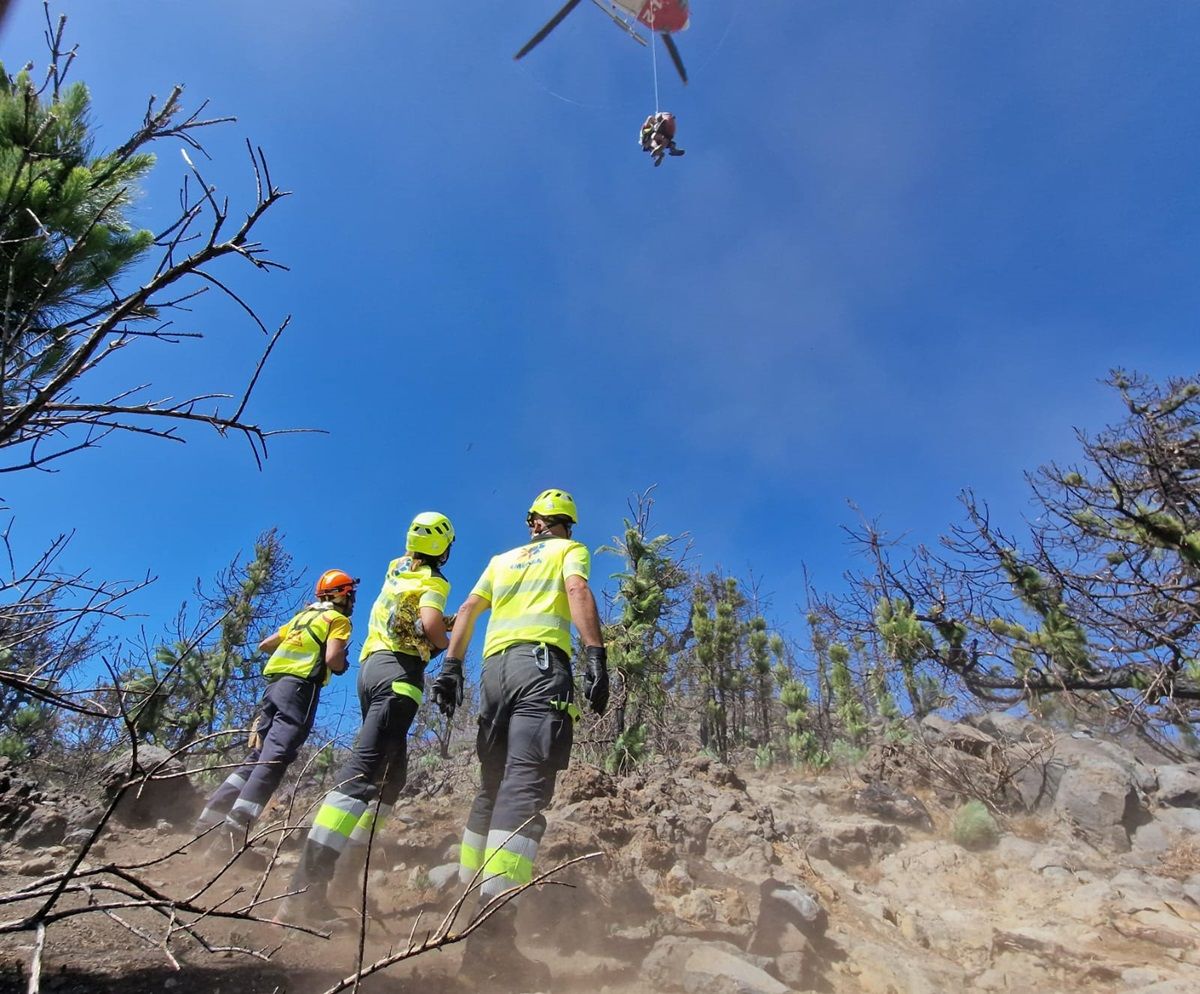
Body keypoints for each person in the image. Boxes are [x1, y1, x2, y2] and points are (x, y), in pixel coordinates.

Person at [430, 488, 608, 989]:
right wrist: (595, 653)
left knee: (490, 784)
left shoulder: (501, 560)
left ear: (533, 521)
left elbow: (465, 610)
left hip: (492, 673)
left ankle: (462, 905)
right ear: (567, 525)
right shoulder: (568, 551)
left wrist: (450, 668)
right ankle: (491, 938)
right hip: (539, 668)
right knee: (525, 781)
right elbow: (576, 593)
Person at [284, 512, 455, 923]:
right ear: (444, 548)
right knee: (360, 776)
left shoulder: (395, 568)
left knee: (390, 779)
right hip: (399, 676)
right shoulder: (435, 582)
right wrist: (448, 641)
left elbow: (406, 600)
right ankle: (305, 891)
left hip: (369, 669)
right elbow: (429, 624)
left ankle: (345, 876)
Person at [194, 570, 357, 857]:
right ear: (341, 595)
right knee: (274, 759)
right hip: (300, 691)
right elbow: (332, 658)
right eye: (350, 594)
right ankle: (231, 838)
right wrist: (341, 665)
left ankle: (206, 823)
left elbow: (265, 645)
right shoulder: (338, 620)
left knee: (255, 757)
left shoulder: (301, 619)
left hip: (272, 689)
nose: (353, 600)